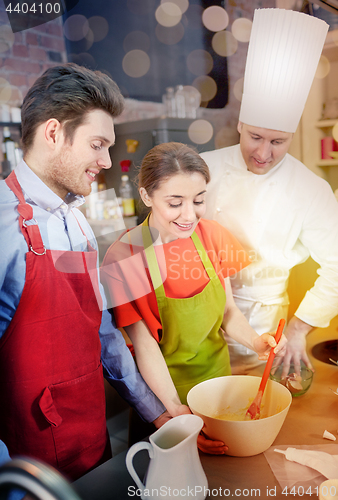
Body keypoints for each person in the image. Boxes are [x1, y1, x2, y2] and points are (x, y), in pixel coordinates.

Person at [0, 63, 169, 481]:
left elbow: (101, 331)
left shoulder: (76, 223)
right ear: (54, 133)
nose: (106, 161)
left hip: (91, 441)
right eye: (97, 145)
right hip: (29, 464)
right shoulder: (4, 225)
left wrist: (158, 413)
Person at [100, 142, 287, 454]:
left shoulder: (212, 235)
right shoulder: (124, 257)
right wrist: (175, 414)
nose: (190, 215)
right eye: (175, 203)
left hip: (220, 391)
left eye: (198, 200)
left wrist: (256, 342)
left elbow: (228, 311)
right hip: (165, 397)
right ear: (146, 196)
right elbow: (145, 348)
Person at [200, 8, 338, 376]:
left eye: (278, 141)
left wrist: (298, 329)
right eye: (255, 137)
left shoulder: (312, 189)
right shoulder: (202, 167)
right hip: (197, 321)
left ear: (292, 135)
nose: (263, 153)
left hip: (267, 332)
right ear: (241, 124)